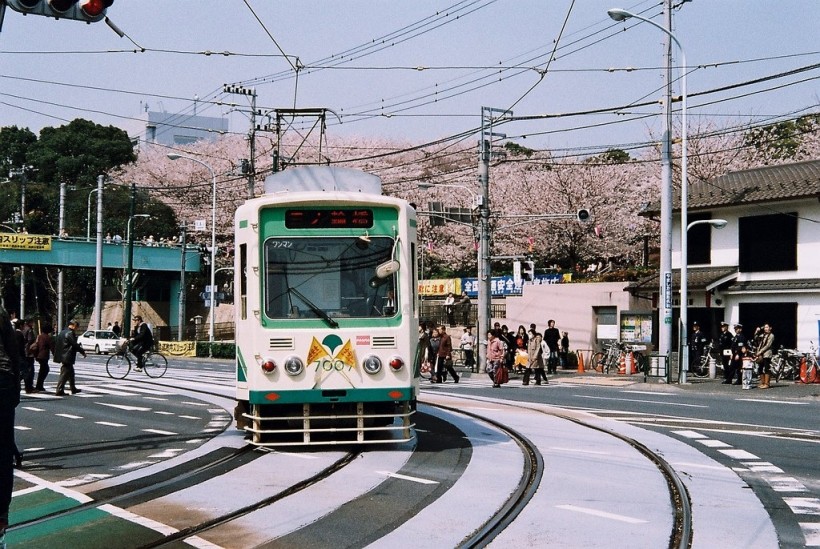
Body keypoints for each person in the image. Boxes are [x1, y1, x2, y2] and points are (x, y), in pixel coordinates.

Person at [0, 303, 22, 546]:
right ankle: (0, 519)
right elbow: (13, 354)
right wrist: (14, 390)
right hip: (2, 380)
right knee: (3, 452)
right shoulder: (1, 313)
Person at [54, 319, 86, 396]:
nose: (77, 329)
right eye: (77, 327)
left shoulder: (62, 332)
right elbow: (74, 344)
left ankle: (73, 388)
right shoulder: (70, 333)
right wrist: (82, 352)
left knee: (71, 373)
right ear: (74, 325)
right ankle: (59, 390)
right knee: (64, 373)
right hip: (67, 356)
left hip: (62, 355)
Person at [32, 323, 55, 392]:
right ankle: (39, 385)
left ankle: (39, 385)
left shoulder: (40, 336)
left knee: (43, 370)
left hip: (38, 355)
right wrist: (55, 355)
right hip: (43, 356)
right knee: (45, 370)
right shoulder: (47, 337)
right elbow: (52, 347)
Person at [754, 324, 775, 389]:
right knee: (760, 368)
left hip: (767, 353)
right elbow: (755, 338)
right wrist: (756, 331)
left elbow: (768, 345)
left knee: (766, 368)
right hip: (761, 354)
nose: (765, 328)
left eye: (767, 327)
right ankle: (762, 382)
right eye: (765, 327)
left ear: (770, 328)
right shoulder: (763, 335)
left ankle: (767, 383)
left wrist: (760, 351)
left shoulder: (771, 335)